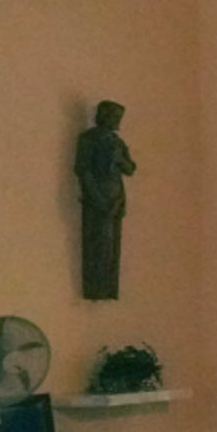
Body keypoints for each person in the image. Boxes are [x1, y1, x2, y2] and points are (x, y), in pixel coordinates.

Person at [73, 103, 135, 301]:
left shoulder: (117, 141)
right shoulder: (89, 139)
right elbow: (84, 171)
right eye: (115, 116)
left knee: (113, 247)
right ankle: (96, 289)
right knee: (98, 245)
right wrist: (98, 200)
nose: (117, 121)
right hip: (98, 201)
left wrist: (119, 159)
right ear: (104, 116)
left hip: (116, 199)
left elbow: (130, 168)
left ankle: (110, 289)